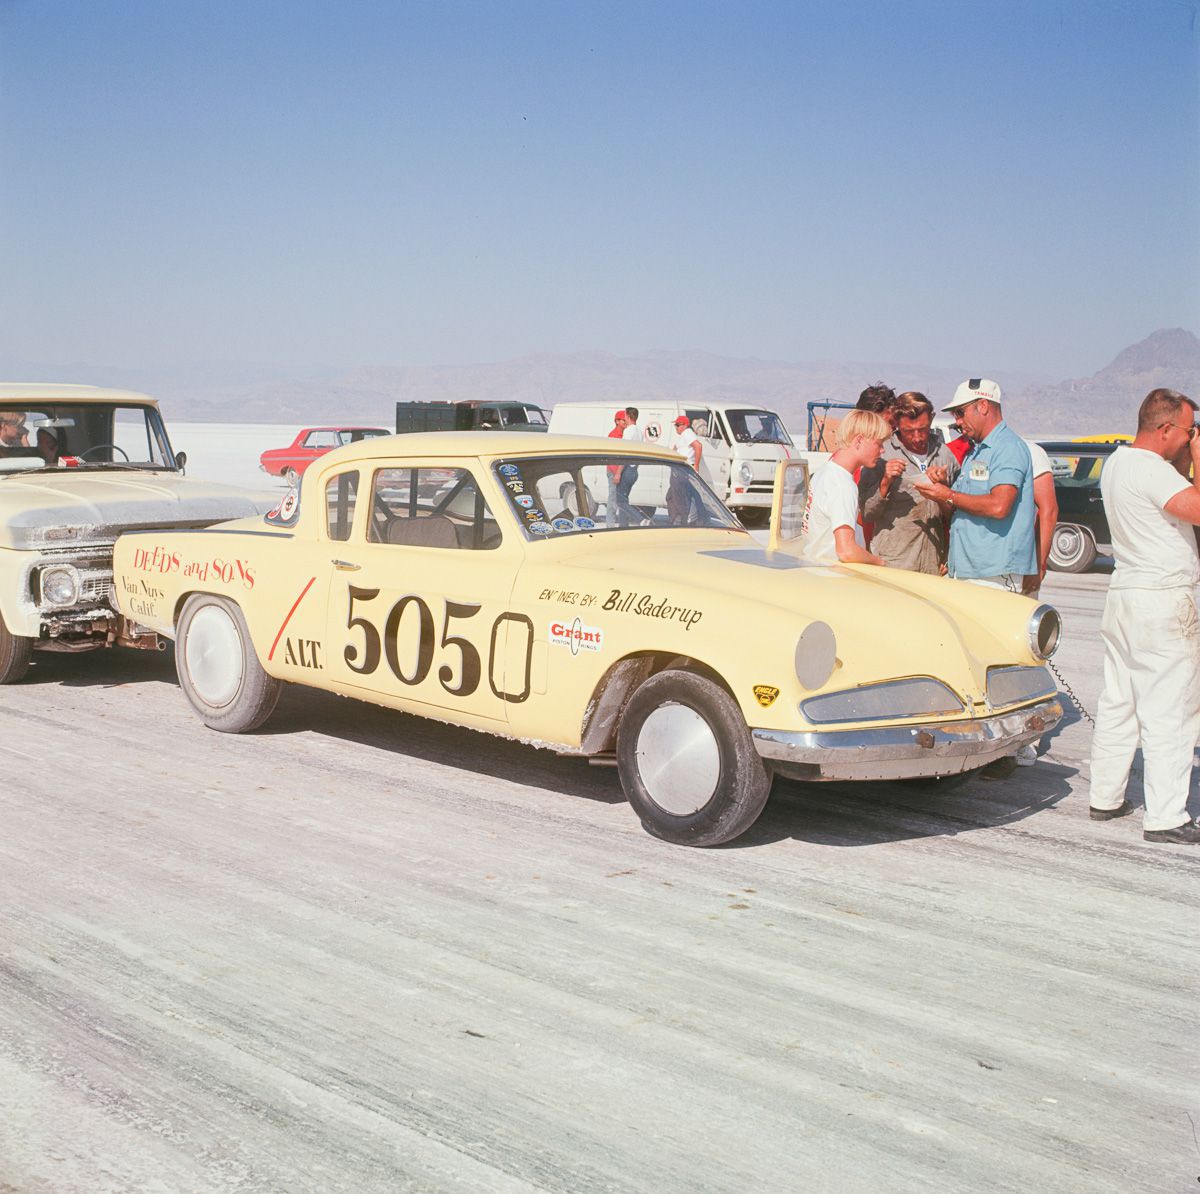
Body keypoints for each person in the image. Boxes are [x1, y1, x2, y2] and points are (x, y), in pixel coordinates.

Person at [1088, 388, 1200, 844]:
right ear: (1166, 428)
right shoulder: (1152, 470)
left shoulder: (1118, 462)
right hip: (1163, 597)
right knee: (1170, 708)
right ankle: (1166, 815)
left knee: (1120, 701)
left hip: (1126, 593)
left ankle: (1106, 796)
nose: (1190, 437)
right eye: (1188, 430)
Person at [913, 379, 1036, 592]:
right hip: (969, 569)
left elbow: (999, 506)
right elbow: (959, 508)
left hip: (994, 573)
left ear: (983, 406)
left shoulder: (1008, 448)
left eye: (960, 413)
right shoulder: (976, 452)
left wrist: (949, 494)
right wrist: (942, 491)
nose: (957, 422)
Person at [859, 392, 959, 574]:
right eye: (909, 431)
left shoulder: (945, 455)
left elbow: (956, 516)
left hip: (934, 565)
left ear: (932, 419)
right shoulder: (881, 454)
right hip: (894, 564)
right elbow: (867, 513)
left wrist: (943, 491)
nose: (917, 438)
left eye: (923, 429)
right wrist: (885, 483)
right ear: (896, 424)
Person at [800, 409, 891, 565]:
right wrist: (880, 563)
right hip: (834, 576)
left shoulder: (825, 472)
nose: (882, 450)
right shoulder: (842, 485)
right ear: (859, 441)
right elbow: (846, 551)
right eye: (879, 444)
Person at [667, 414, 703, 525]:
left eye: (678, 425)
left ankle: (683, 521)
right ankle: (679, 520)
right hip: (679, 469)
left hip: (682, 470)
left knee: (679, 498)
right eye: (675, 425)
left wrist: (696, 466)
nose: (676, 428)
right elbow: (676, 449)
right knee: (671, 496)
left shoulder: (687, 433)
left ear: (684, 425)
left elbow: (698, 446)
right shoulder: (683, 436)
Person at [613, 406, 643, 527]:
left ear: (628, 416)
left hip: (626, 469)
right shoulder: (639, 432)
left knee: (620, 501)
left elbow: (624, 453)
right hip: (634, 469)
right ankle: (623, 525)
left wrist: (618, 473)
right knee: (624, 500)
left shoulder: (628, 431)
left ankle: (640, 519)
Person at [605, 409, 628, 527]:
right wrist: (616, 474)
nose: (625, 421)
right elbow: (612, 457)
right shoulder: (614, 435)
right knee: (613, 500)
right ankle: (610, 525)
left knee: (620, 499)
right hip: (614, 471)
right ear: (617, 421)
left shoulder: (625, 434)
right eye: (623, 419)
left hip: (619, 471)